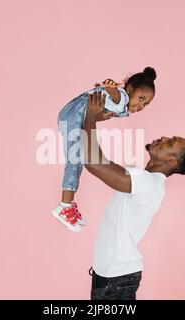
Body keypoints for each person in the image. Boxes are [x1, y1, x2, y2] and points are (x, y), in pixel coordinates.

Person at [83, 91, 185, 300]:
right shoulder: (144, 180)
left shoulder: (148, 183)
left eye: (170, 142)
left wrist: (90, 118)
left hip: (116, 280)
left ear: (172, 162)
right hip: (112, 276)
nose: (163, 138)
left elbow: (93, 162)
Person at [52, 67, 158, 232]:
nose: (141, 105)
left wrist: (108, 88)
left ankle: (68, 204)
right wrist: (110, 87)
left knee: (78, 160)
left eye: (146, 103)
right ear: (130, 90)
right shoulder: (122, 98)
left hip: (75, 115)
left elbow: (100, 106)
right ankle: (64, 206)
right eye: (141, 98)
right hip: (73, 116)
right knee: (74, 160)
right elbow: (113, 92)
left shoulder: (124, 105)